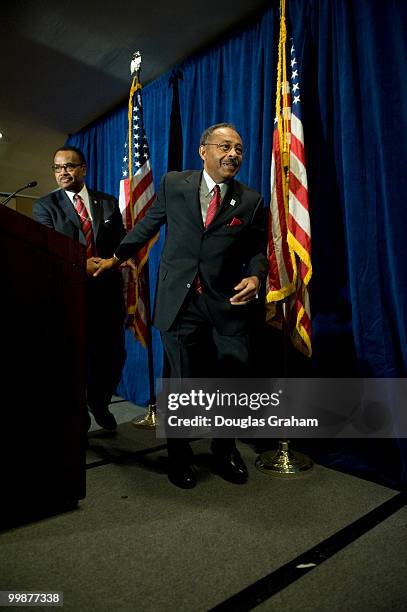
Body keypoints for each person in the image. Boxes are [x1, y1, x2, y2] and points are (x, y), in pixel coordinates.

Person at [95, 123, 268, 487]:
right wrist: (115, 257)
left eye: (239, 149)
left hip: (225, 302)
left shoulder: (250, 200)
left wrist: (255, 277)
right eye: (224, 146)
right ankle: (179, 455)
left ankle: (225, 450)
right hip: (179, 299)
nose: (233, 154)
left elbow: (255, 248)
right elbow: (148, 225)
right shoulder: (175, 185)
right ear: (202, 150)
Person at [33, 146, 126, 431]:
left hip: (107, 292)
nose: (63, 172)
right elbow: (48, 250)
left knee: (111, 354)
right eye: (58, 167)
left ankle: (99, 402)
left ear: (83, 169)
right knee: (74, 357)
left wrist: (110, 262)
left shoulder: (108, 203)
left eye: (69, 166)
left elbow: (121, 243)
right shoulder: (45, 206)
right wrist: (80, 266)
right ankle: (77, 415)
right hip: (70, 294)